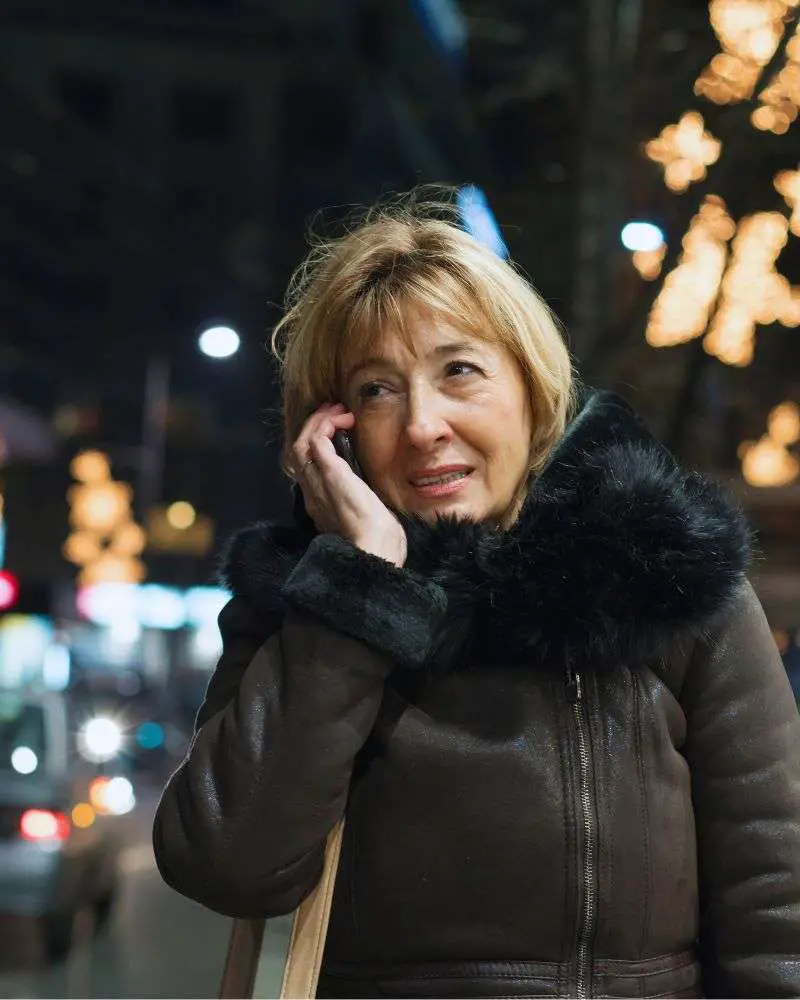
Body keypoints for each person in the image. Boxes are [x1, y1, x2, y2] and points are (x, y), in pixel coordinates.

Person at [153, 192, 800, 998]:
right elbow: (225, 864)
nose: (423, 424)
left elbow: (777, 915)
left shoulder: (662, 579)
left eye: (459, 370)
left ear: (532, 389)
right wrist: (358, 596)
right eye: (378, 390)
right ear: (334, 431)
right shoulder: (306, 607)